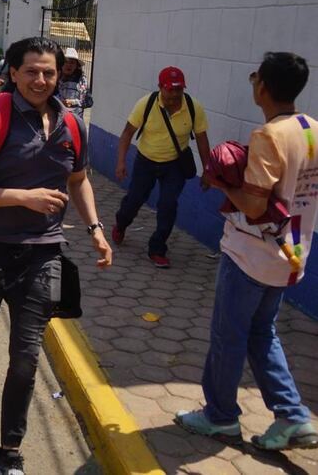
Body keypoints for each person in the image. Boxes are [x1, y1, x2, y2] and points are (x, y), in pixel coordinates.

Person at [0, 36, 112, 475]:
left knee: (26, 357)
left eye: (49, 72)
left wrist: (96, 229)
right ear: (13, 74)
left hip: (43, 253)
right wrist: (23, 196)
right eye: (32, 72)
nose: (41, 80)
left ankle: (9, 452)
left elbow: (78, 180)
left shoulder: (72, 124)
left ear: (61, 75)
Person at [175, 52, 318, 451]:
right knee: (261, 333)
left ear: (263, 88)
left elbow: (254, 206)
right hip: (292, 254)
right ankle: (291, 415)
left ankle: (220, 417)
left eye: (256, 77)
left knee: (228, 336)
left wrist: (220, 183)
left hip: (251, 255)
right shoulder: (312, 130)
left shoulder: (269, 135)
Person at [113, 67, 211, 269]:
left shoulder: (193, 107)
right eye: (170, 90)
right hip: (146, 161)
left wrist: (208, 170)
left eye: (178, 90)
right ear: (160, 88)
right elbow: (127, 133)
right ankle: (121, 224)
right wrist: (121, 162)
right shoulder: (146, 104)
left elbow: (202, 140)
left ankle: (157, 248)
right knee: (134, 201)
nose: (174, 95)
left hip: (175, 165)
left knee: (168, 205)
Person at [57, 47, 91, 117]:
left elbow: (88, 102)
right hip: (57, 120)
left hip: (75, 120)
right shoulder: (55, 77)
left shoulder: (81, 80)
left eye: (72, 62)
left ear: (76, 65)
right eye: (66, 62)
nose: (69, 65)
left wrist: (72, 102)